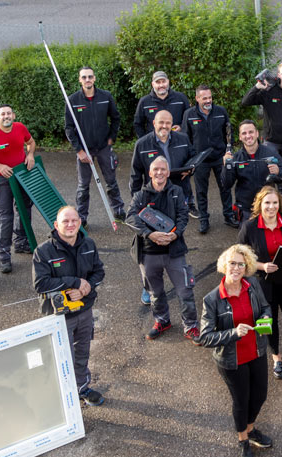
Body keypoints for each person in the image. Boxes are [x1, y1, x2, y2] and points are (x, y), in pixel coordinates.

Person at [194, 244, 274, 457]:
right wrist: (233, 333)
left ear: (246, 266)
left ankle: (250, 428)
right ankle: (243, 440)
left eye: (241, 264)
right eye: (232, 263)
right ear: (224, 265)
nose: (236, 268)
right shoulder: (212, 299)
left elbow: (266, 308)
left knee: (260, 396)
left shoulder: (253, 285)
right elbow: (205, 337)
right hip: (232, 360)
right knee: (241, 401)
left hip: (257, 351)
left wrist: (264, 320)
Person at [32, 206, 106, 407]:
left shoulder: (88, 244)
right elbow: (40, 284)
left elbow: (98, 272)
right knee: (61, 356)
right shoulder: (43, 251)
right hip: (59, 316)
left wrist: (85, 288)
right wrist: (73, 283)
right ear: (56, 225)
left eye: (74, 220)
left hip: (84, 311)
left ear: (80, 223)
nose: (70, 224)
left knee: (82, 351)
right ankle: (61, 395)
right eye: (65, 221)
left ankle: (82, 387)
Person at [238, 186, 282, 378]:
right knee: (268, 322)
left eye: (275, 202)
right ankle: (276, 357)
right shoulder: (249, 227)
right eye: (267, 203)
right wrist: (261, 266)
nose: (271, 207)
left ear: (280, 204)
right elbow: (241, 258)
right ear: (260, 204)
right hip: (264, 285)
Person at [127, 157, 199, 342]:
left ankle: (190, 326)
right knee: (155, 293)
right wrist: (149, 234)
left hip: (174, 251)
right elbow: (130, 217)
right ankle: (162, 321)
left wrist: (175, 234)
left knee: (185, 291)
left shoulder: (177, 191)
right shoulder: (140, 195)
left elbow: (184, 216)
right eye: (155, 169)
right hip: (149, 253)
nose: (159, 173)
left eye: (163, 169)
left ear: (168, 172)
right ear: (150, 173)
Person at [129, 111, 194, 304]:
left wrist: (190, 169)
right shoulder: (142, 144)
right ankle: (148, 286)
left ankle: (178, 277)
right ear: (153, 123)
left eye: (168, 123)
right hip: (151, 198)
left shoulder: (182, 139)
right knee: (149, 246)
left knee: (174, 237)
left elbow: (193, 158)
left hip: (176, 196)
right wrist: (137, 199)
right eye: (161, 123)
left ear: (173, 123)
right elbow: (135, 175)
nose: (164, 126)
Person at [0, 104, 36, 274]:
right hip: (1, 179)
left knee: (24, 209)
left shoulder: (20, 128)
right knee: (6, 217)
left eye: (9, 113)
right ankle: (4, 256)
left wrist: (30, 154)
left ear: (14, 115)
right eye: (2, 114)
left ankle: (22, 243)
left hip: (21, 175)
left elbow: (31, 142)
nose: (6, 116)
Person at [64, 66, 126, 225]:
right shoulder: (73, 100)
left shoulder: (105, 96)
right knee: (83, 186)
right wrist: (78, 150)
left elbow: (116, 118)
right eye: (84, 77)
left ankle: (118, 210)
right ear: (79, 80)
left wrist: (112, 138)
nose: (87, 80)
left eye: (90, 76)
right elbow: (69, 128)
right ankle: (82, 217)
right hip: (85, 150)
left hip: (104, 147)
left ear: (95, 78)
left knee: (111, 181)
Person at [181, 85, 234, 228]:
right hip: (200, 160)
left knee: (225, 188)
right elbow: (185, 138)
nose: (208, 100)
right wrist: (190, 160)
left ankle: (229, 216)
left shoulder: (221, 111)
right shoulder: (189, 114)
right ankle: (204, 220)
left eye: (210, 97)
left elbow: (229, 132)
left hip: (219, 157)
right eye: (204, 98)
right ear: (197, 99)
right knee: (201, 191)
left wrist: (228, 150)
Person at [224, 120, 282, 225]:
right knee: (247, 241)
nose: (248, 136)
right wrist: (227, 167)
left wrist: (278, 171)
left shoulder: (270, 152)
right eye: (244, 133)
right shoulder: (236, 158)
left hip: (268, 208)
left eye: (251, 132)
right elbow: (226, 184)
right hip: (246, 209)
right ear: (240, 137)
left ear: (257, 133)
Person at [241, 61, 282, 167]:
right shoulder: (269, 91)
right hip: (270, 142)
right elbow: (245, 101)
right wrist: (257, 87)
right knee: (269, 173)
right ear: (278, 75)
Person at [133, 70, 190, 139]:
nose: (161, 85)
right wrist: (145, 141)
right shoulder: (144, 102)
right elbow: (138, 124)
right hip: (154, 144)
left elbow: (189, 118)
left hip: (177, 142)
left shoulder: (181, 98)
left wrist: (181, 127)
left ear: (168, 82)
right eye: (158, 82)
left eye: (164, 81)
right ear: (153, 84)